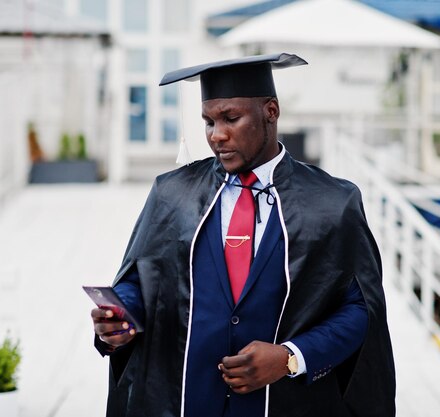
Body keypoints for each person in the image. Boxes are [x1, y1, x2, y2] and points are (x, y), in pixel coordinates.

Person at [91, 53, 395, 417]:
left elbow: (361, 310)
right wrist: (121, 318)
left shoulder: (333, 202)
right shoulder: (172, 194)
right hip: (184, 400)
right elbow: (141, 282)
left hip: (286, 403)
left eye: (231, 118)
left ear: (271, 111)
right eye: (208, 121)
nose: (217, 135)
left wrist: (289, 357)